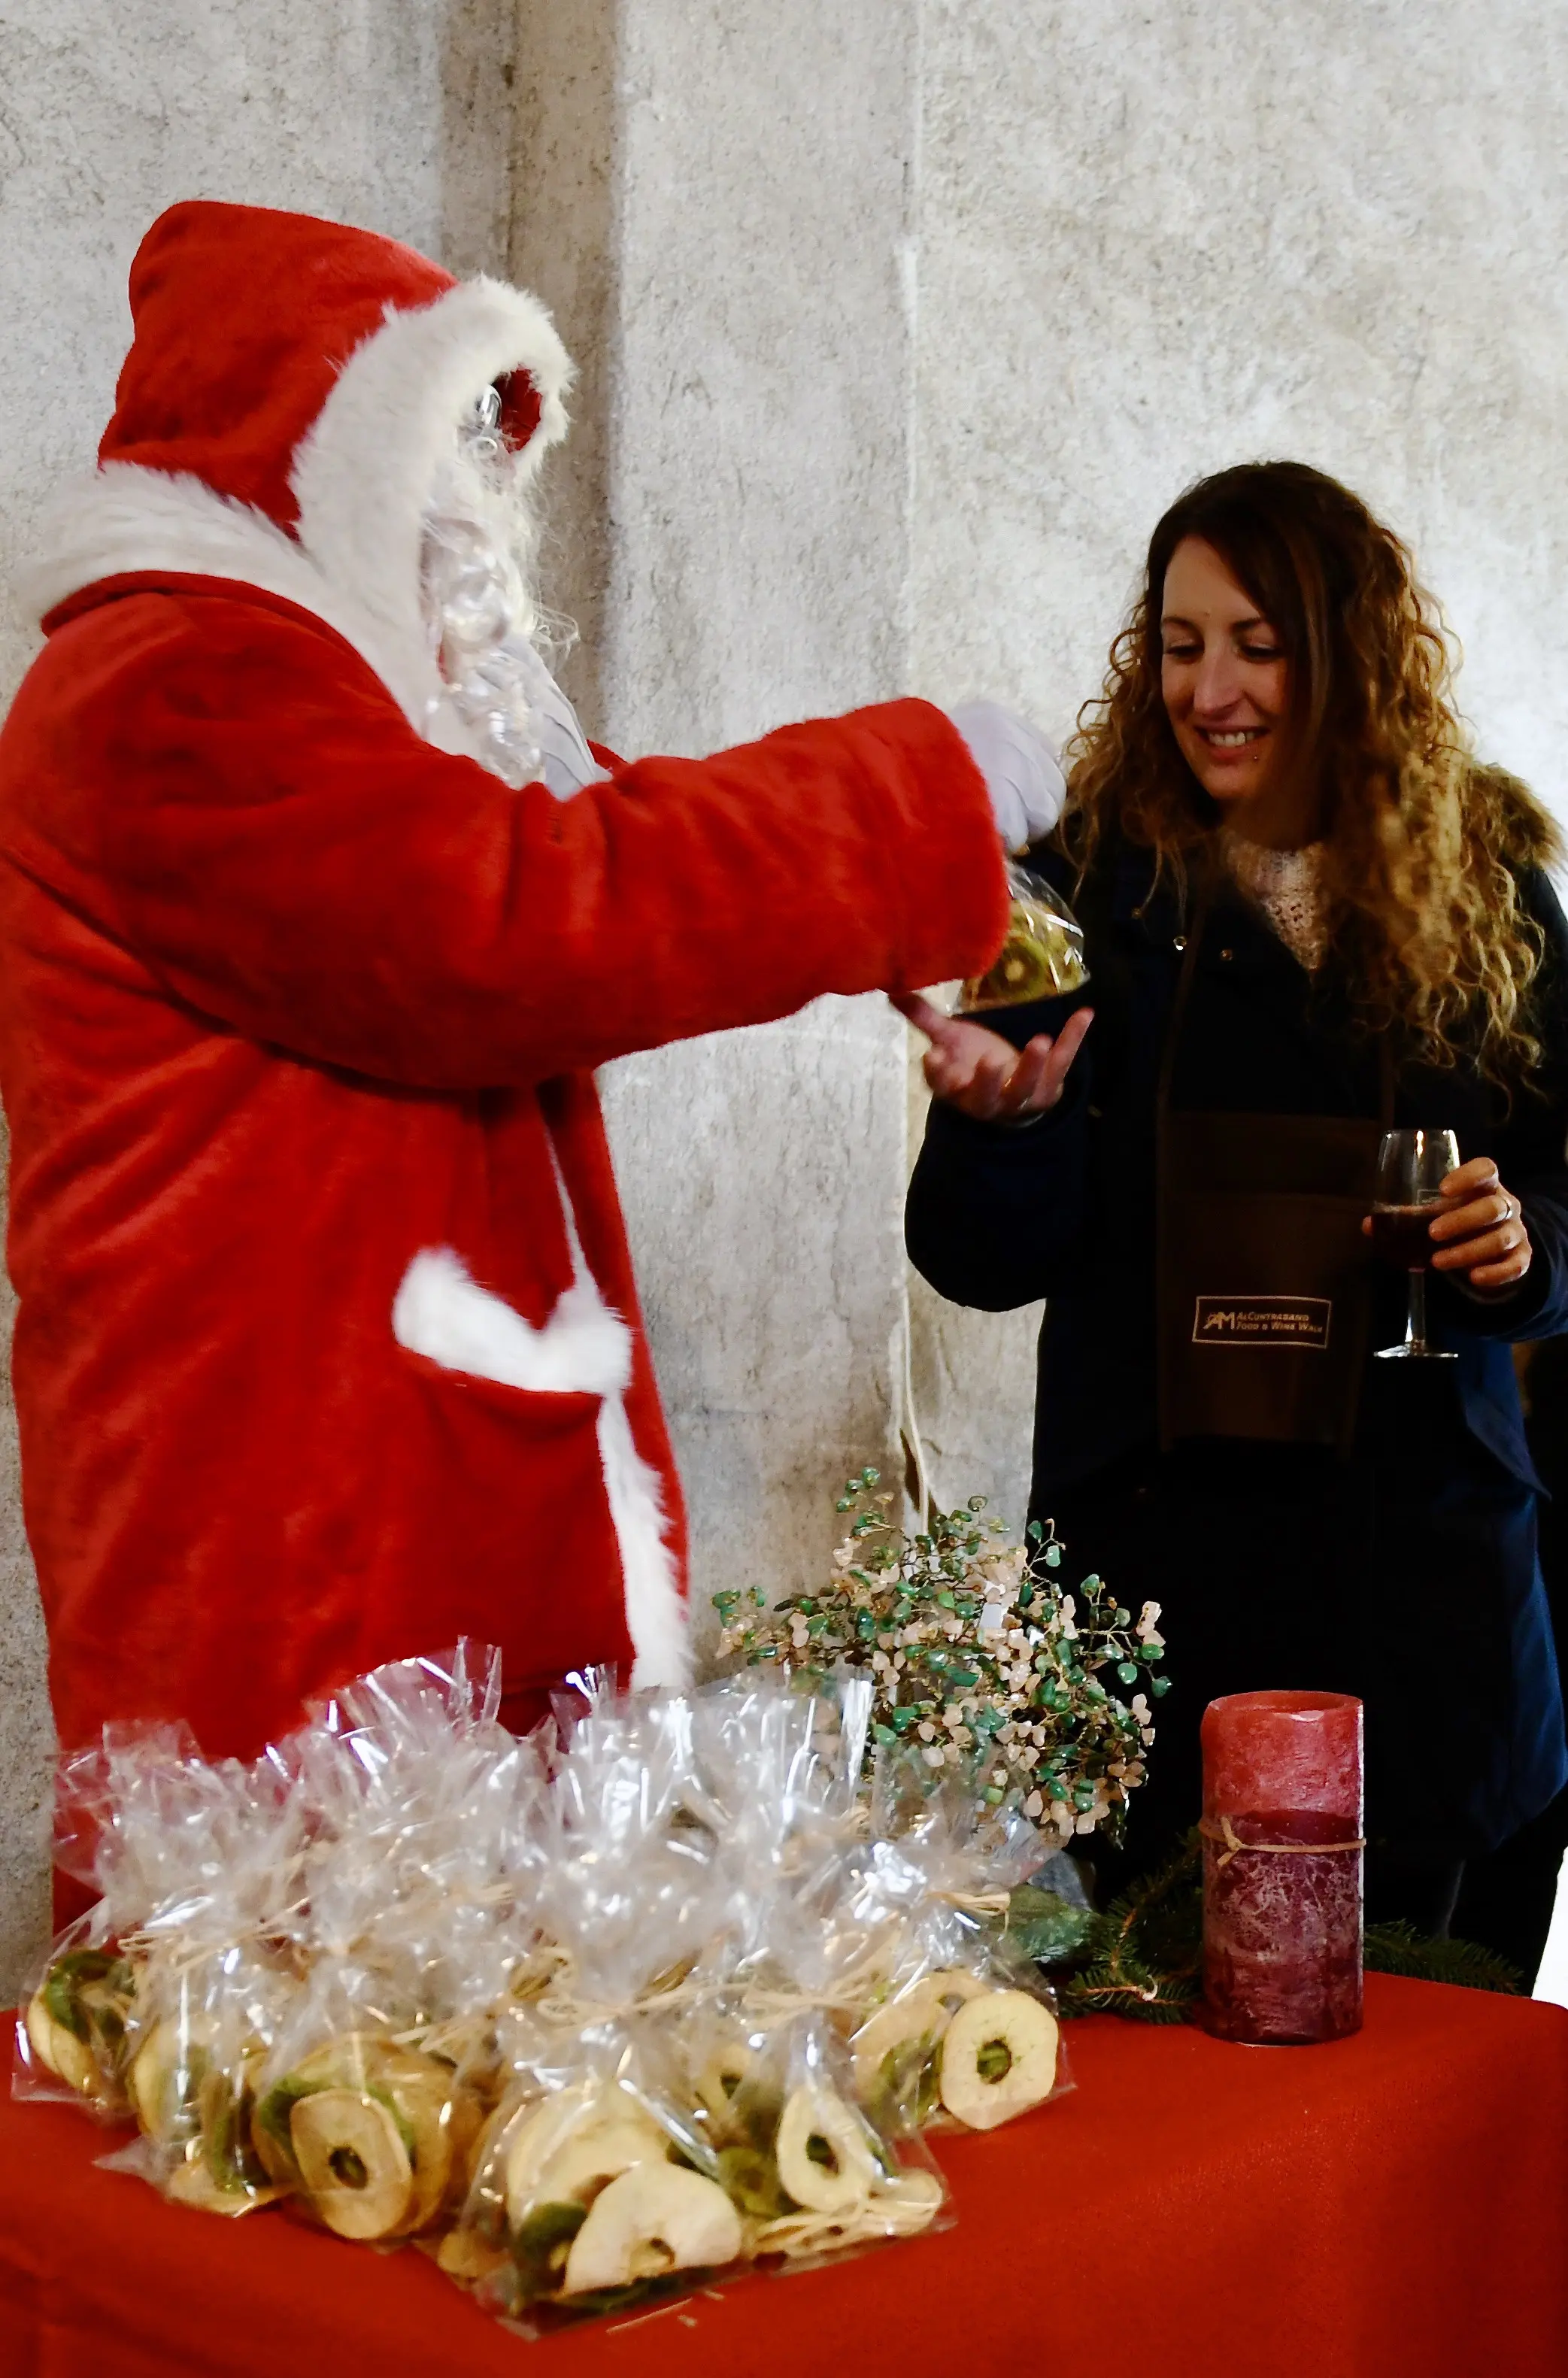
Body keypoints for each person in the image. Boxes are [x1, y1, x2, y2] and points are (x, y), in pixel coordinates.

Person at [0, 199, 1063, 1792]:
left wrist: (899, 930)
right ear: (318, 461)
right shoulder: (178, 683)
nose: (472, 523)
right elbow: (513, 915)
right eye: (430, 459)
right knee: (296, 2013)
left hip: (356, 1491)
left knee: (448, 2012)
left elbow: (574, 835)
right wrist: (912, 804)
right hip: (283, 1534)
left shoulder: (301, 701)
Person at [902, 460, 1568, 1943]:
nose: (1208, 687)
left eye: (1256, 646)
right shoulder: (1068, 894)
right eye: (1180, 641)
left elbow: (1559, 1198)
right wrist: (997, 1130)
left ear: (1349, 653)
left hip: (1428, 1609)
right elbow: (976, 1260)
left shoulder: (1491, 890)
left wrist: (1517, 1254)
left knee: (1434, 2090)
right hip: (1156, 1601)